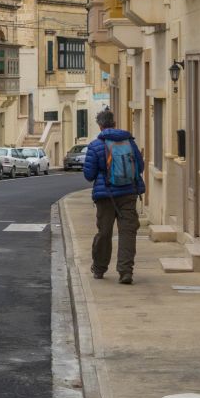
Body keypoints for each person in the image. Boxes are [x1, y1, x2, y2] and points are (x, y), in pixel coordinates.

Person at [82, 108, 146, 284]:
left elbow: (89, 175)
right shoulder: (129, 142)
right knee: (127, 233)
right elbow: (140, 167)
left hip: (106, 196)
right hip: (128, 193)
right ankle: (126, 272)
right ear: (114, 123)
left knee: (104, 232)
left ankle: (99, 268)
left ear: (100, 126)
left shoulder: (95, 145)